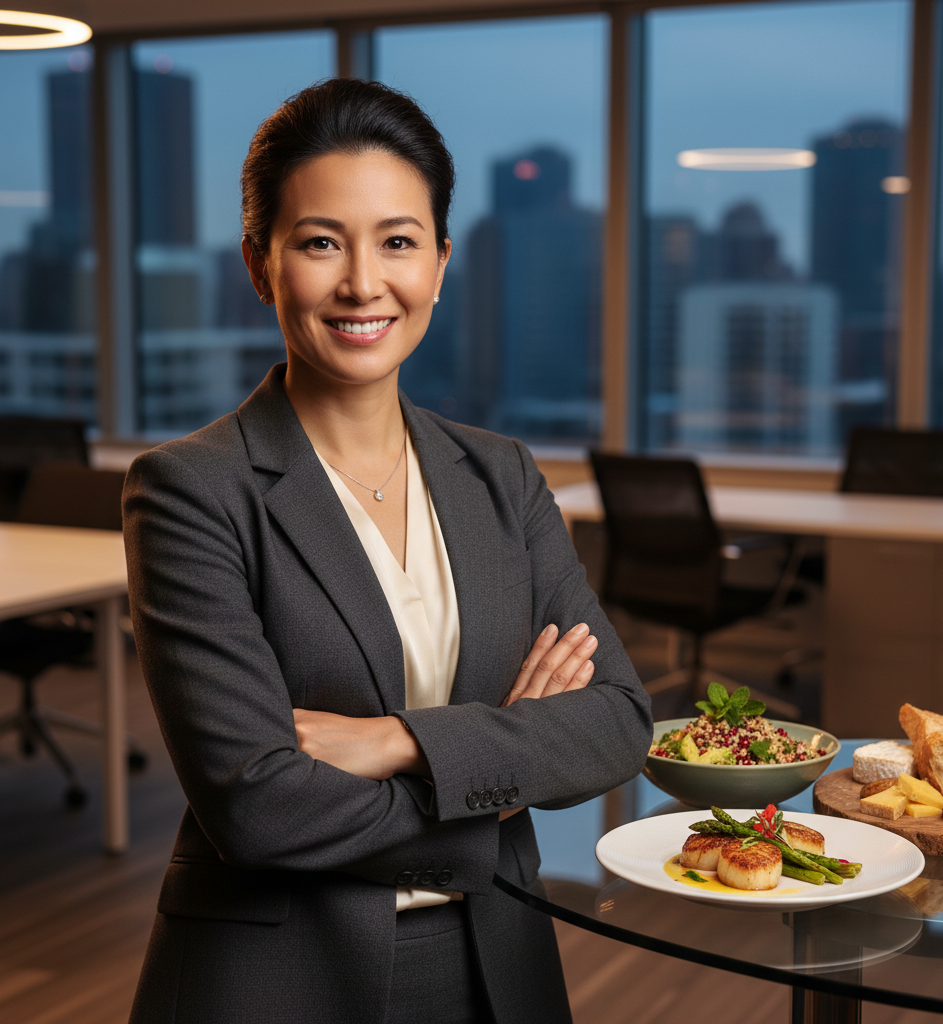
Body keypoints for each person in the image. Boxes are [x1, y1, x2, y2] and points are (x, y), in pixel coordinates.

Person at [124, 77, 652, 1024]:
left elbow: (616, 721)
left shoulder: (503, 476)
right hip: (279, 977)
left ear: (442, 264)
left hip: (500, 960)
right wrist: (492, 787)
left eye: (398, 242)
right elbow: (256, 805)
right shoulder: (191, 489)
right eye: (321, 242)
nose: (364, 283)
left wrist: (394, 741)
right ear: (260, 265)